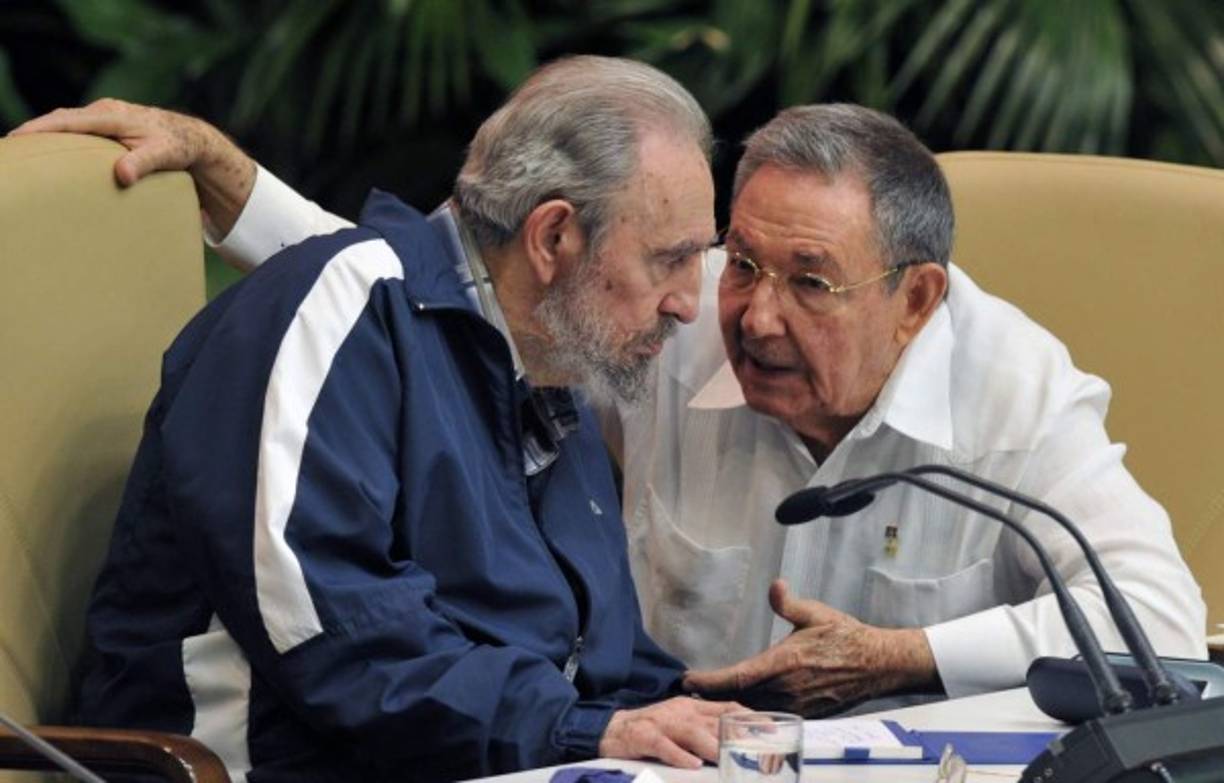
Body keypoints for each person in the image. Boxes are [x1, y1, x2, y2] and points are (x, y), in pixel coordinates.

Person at [20, 98, 1206, 718]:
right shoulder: (672, 319)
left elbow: (1160, 623)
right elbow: (445, 317)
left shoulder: (1012, 385)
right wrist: (237, 190)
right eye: (740, 261)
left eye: (810, 283)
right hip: (633, 744)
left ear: (917, 300)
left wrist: (901, 658)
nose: (750, 315)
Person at [13, 56, 743, 781]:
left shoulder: (548, 363)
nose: (689, 302)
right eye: (670, 260)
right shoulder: (336, 313)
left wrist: (723, 714)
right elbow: (335, 634)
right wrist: (580, 728)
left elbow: (594, 657)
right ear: (553, 237)